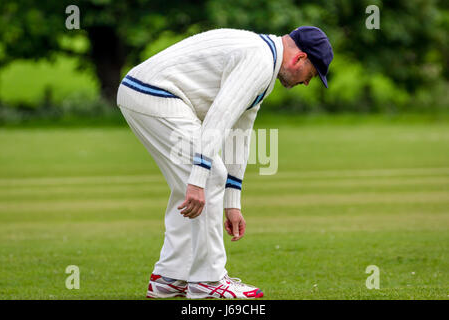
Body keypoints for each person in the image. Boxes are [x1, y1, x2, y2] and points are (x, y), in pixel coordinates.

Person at [116, 26, 333, 299]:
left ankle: (170, 277)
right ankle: (208, 281)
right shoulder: (259, 59)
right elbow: (218, 117)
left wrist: (232, 203)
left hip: (141, 93)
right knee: (208, 175)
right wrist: (198, 180)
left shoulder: (264, 62)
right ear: (299, 58)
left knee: (196, 183)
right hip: (154, 94)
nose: (307, 83)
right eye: (311, 74)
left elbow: (240, 132)